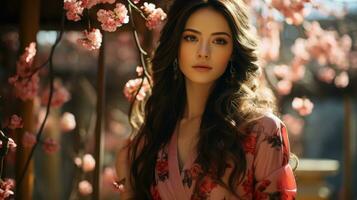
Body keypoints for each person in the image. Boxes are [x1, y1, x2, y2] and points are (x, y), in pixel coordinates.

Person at [115, 0, 297, 199]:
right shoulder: (151, 138)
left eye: (219, 41)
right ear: (175, 44)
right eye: (191, 38)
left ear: (233, 51)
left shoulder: (263, 131)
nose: (203, 52)